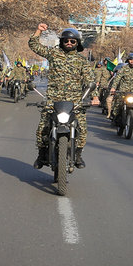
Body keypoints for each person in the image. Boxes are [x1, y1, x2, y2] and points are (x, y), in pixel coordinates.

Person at [29, 24, 96, 169]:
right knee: (42, 128)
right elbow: (34, 45)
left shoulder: (82, 61)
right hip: (53, 98)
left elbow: (90, 80)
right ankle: (41, 155)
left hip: (75, 100)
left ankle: (78, 155)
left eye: (73, 41)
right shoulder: (53, 53)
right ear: (62, 41)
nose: (69, 43)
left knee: (82, 128)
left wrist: (93, 96)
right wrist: (39, 30)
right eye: (66, 40)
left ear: (77, 43)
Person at [110, 53, 133, 123]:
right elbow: (117, 78)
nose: (132, 61)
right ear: (128, 60)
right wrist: (113, 88)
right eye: (130, 60)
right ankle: (115, 115)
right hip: (123, 89)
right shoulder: (123, 68)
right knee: (118, 102)